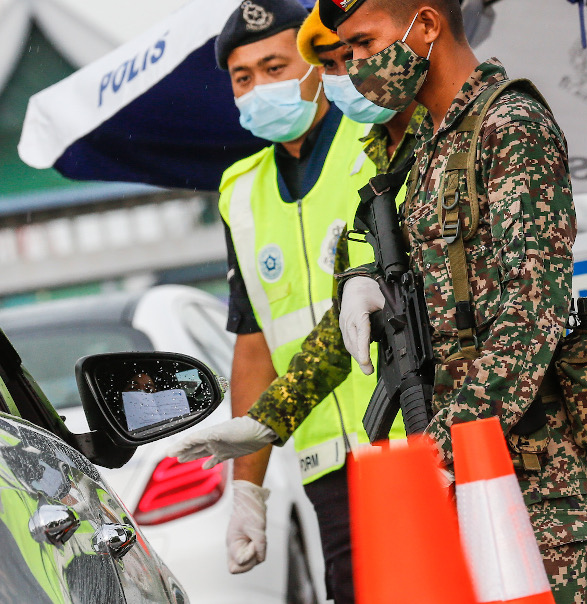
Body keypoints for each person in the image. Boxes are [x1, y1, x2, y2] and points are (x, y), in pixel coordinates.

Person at [318, 0, 587, 599]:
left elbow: (529, 318)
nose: (355, 66)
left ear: (425, 26)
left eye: (364, 44)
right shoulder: (429, 146)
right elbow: (437, 275)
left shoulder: (512, 127)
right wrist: (363, 281)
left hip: (525, 479)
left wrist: (438, 452)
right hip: (459, 467)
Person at [173, 1, 405, 600]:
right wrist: (247, 492)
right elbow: (254, 347)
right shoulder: (239, 194)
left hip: (414, 435)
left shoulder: (378, 137)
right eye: (242, 78)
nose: (258, 88)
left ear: (311, 64)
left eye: (274, 67)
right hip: (325, 464)